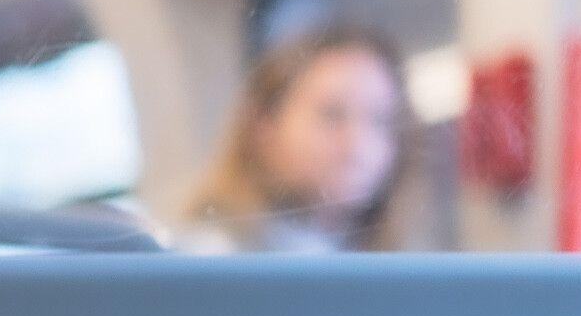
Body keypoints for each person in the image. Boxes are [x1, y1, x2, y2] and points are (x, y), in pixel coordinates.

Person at [175, 23, 408, 253]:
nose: (358, 145)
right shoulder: (207, 255)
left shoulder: (393, 263)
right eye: (332, 115)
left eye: (380, 121)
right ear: (264, 126)